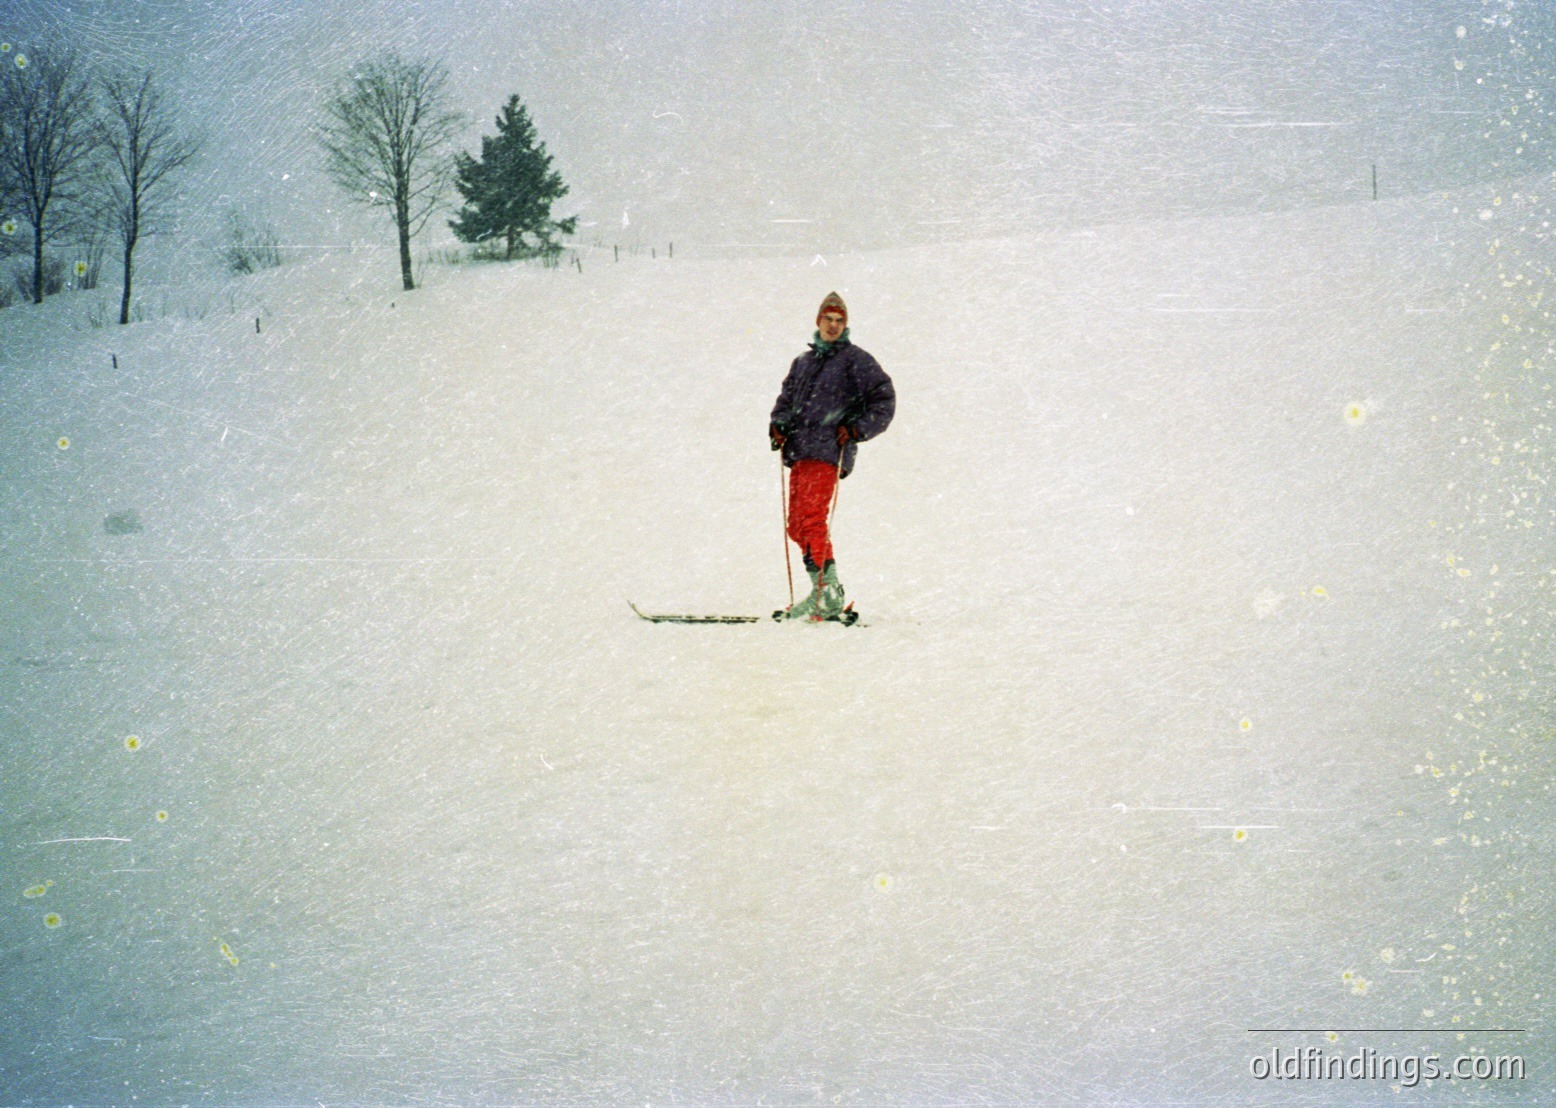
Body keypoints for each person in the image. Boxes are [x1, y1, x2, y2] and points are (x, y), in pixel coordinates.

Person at [769, 292, 895, 619]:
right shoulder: (803, 363)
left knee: (811, 520)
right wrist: (779, 424)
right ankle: (820, 591)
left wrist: (856, 429)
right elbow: (785, 401)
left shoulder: (856, 360)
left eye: (840, 320)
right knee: (797, 526)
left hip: (828, 450)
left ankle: (829, 593)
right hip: (799, 452)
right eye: (829, 318)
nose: (834, 325)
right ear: (818, 321)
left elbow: (884, 400)